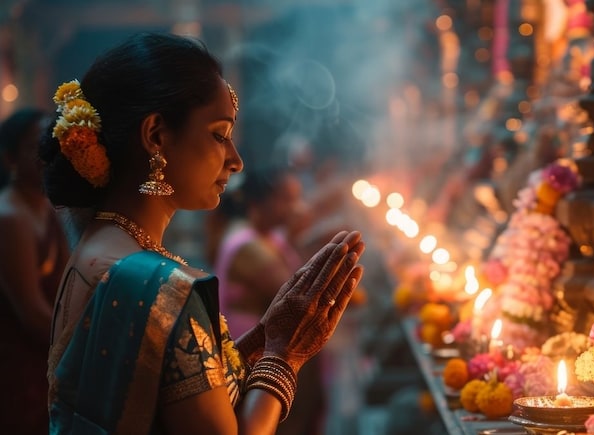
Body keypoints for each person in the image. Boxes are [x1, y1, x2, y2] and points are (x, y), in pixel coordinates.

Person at [39, 32, 365, 435]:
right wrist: (285, 355)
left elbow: (180, 396)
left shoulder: (97, 247)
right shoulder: (160, 287)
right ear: (156, 136)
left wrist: (266, 334)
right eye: (219, 134)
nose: (236, 161)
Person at [214, 165, 326, 435]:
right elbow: (296, 296)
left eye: (296, 198)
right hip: (253, 356)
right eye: (286, 199)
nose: (295, 207)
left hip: (270, 349)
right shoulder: (246, 244)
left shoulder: (271, 237)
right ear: (258, 202)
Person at [0, 108, 70, 435]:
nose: (46, 154)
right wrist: (81, 348)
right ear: (9, 157)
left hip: (46, 358)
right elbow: (31, 312)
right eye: (34, 145)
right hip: (20, 365)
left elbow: (68, 285)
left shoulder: (44, 206)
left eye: (50, 143)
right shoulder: (10, 217)